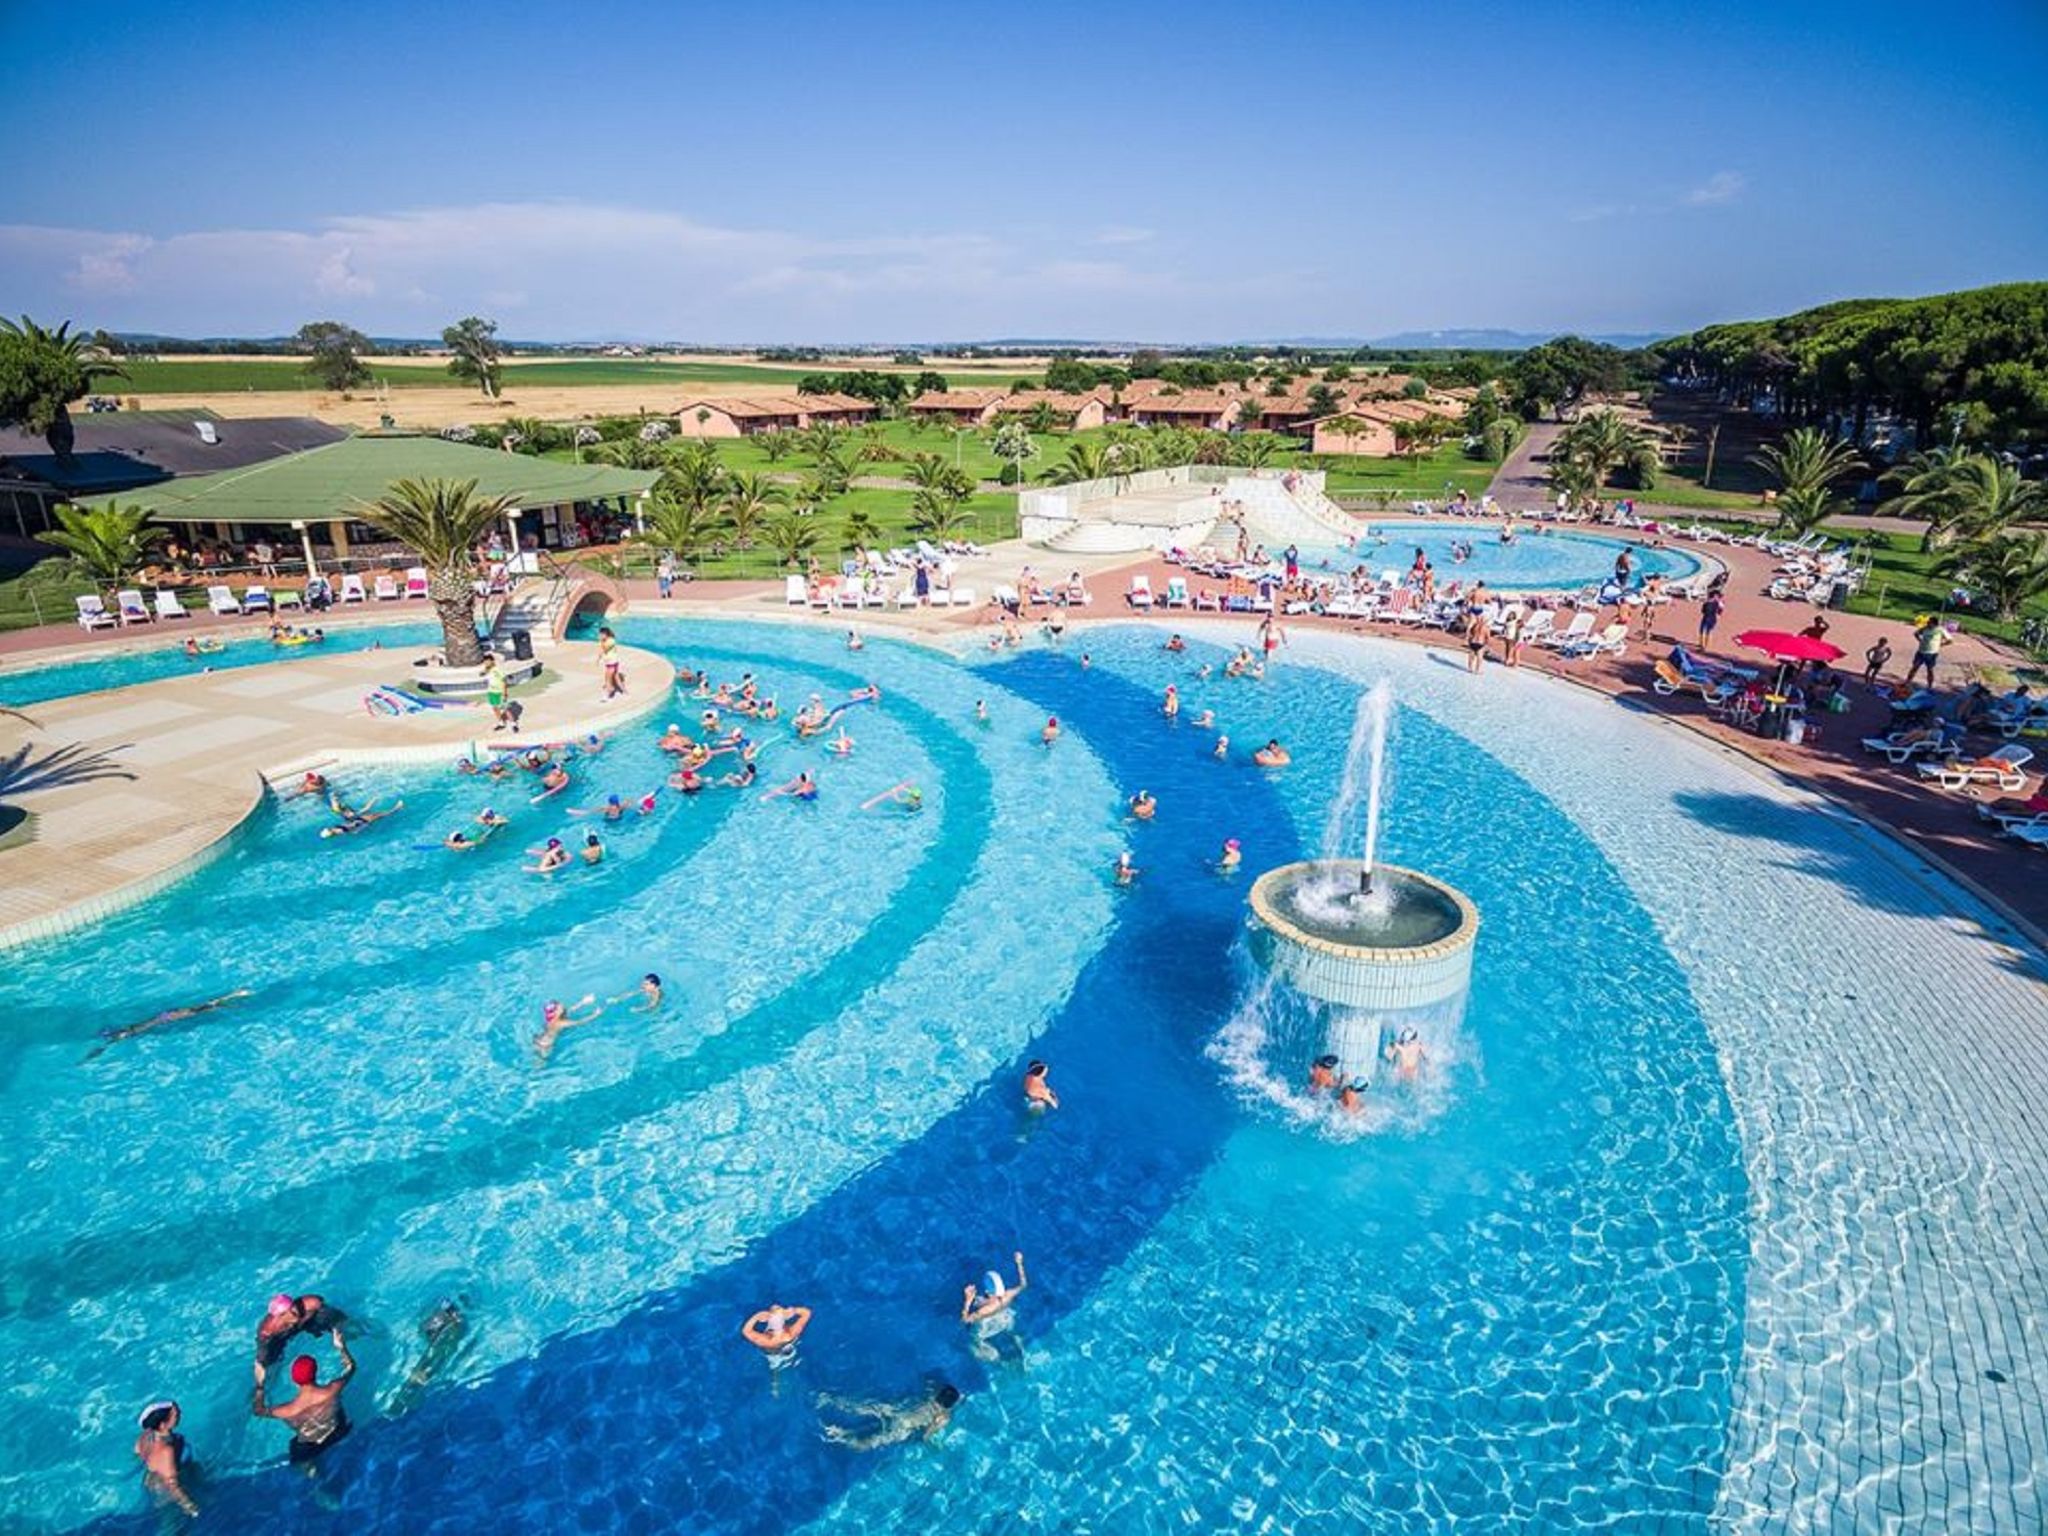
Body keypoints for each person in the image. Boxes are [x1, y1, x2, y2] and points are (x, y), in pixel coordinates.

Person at [251, 1331, 355, 1466]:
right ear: (316, 1372)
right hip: (337, 1432)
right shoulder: (332, 1390)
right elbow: (351, 1367)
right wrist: (341, 1347)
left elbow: (258, 1410)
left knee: (296, 1450)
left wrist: (260, 1384)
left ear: (293, 1380)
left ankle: (311, 1472)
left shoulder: (288, 1410)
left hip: (308, 1448)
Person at [86, 988, 253, 1059]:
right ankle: (235, 996)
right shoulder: (130, 1031)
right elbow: (103, 1047)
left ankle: (235, 996)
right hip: (166, 1017)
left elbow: (103, 1047)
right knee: (206, 1007)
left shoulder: (129, 1031)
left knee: (207, 1007)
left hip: (167, 1017)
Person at [818, 1382, 961, 1450]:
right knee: (870, 1442)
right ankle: (838, 1439)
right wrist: (931, 1443)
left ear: (939, 1394)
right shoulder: (944, 1417)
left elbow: (927, 1383)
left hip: (896, 1411)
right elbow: (926, 1435)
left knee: (864, 1407)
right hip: (904, 1426)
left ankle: (830, 1400)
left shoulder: (930, 1394)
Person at [134, 1400, 198, 1517]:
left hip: (149, 1480)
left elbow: (138, 1454)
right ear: (163, 1424)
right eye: (176, 1414)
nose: (180, 1414)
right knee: (172, 1525)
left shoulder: (145, 1436)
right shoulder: (166, 1451)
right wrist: (190, 1507)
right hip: (163, 1490)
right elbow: (172, 1484)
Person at [960, 1251, 1028, 1361]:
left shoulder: (984, 1310)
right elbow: (1023, 1284)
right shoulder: (1007, 1295)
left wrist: (967, 1301)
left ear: (988, 1292)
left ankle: (997, 1359)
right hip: (1005, 1320)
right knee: (1009, 1325)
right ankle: (1016, 1341)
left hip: (986, 1328)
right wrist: (1019, 1263)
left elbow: (964, 1321)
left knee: (969, 1345)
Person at [256, 1293, 344, 1366]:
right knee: (269, 1361)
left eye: (294, 1305)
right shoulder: (268, 1333)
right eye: (292, 1311)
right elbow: (260, 1362)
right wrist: (260, 1385)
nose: (296, 1309)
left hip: (306, 1324)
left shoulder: (305, 1306)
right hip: (280, 1338)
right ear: (281, 1315)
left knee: (331, 1318)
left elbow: (317, 1301)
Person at [535, 995, 603, 1062]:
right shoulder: (561, 1023)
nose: (561, 1004)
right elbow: (579, 1022)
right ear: (557, 1013)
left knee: (539, 1058)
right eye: (559, 1006)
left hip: (540, 1039)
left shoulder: (552, 1020)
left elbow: (570, 1010)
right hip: (546, 1044)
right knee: (542, 1061)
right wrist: (595, 1015)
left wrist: (583, 1002)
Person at [740, 1304, 813, 1366]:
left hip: (775, 1356)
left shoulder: (768, 1341)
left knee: (776, 1371)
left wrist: (756, 1317)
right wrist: (793, 1311)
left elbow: (746, 1331)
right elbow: (807, 1313)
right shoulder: (791, 1333)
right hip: (790, 1347)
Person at [1908, 616, 1947, 688]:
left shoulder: (1940, 630)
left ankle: (1930, 685)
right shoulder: (1925, 628)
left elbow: (1950, 640)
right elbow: (1916, 633)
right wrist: (1920, 640)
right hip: (1921, 651)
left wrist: (1941, 645)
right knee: (1915, 667)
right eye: (1928, 622)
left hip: (1931, 653)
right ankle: (1908, 682)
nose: (1928, 623)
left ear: (1934, 624)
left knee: (1930, 669)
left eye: (1929, 622)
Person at [597, 626, 626, 700]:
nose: (600, 636)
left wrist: (601, 641)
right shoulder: (605, 641)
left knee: (608, 679)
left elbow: (605, 649)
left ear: (605, 634)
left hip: (612, 663)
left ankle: (607, 695)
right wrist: (599, 659)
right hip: (610, 663)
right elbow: (601, 652)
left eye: (601, 634)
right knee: (616, 678)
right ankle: (625, 692)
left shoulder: (611, 641)